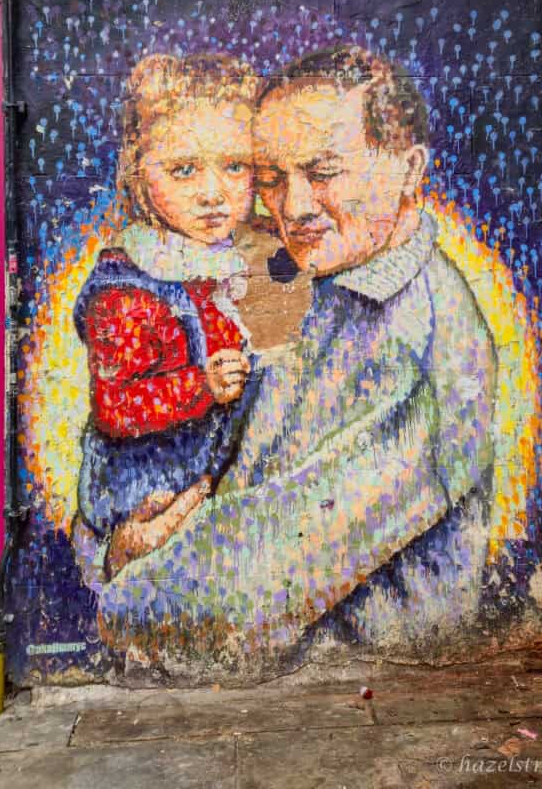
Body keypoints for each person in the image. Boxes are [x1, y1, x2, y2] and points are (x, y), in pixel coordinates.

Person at [86, 45, 499, 666]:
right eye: (273, 180)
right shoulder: (336, 291)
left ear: (409, 169)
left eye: (324, 172)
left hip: (355, 693)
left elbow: (243, 583)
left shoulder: (414, 343)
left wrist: (114, 568)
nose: (294, 208)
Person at [73, 53, 257, 579]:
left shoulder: (220, 261)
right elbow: (116, 406)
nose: (213, 192)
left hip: (202, 481)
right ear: (139, 174)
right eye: (183, 170)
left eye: (236, 166)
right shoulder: (129, 289)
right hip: (143, 490)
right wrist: (202, 386)